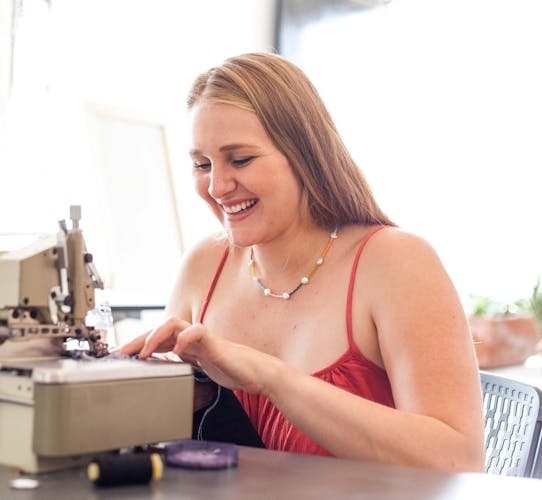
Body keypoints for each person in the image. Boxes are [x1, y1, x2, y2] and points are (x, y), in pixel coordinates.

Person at [118, 52, 485, 472]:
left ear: (305, 154)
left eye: (240, 160)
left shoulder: (396, 263)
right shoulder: (203, 266)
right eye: (202, 165)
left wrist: (270, 377)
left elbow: (458, 461)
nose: (217, 186)